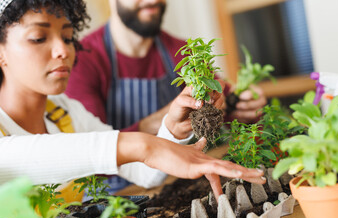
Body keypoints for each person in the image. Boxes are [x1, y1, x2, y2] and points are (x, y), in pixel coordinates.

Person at [0, 0, 265, 201]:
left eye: (68, 38)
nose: (63, 51)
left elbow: (142, 173)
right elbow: (17, 157)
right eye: (38, 38)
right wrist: (145, 145)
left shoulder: (66, 113)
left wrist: (172, 130)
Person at [66, 0, 267, 135]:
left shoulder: (185, 51)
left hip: (183, 177)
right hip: (121, 192)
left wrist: (245, 106)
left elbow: (225, 115)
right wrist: (167, 118)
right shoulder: (82, 60)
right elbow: (94, 150)